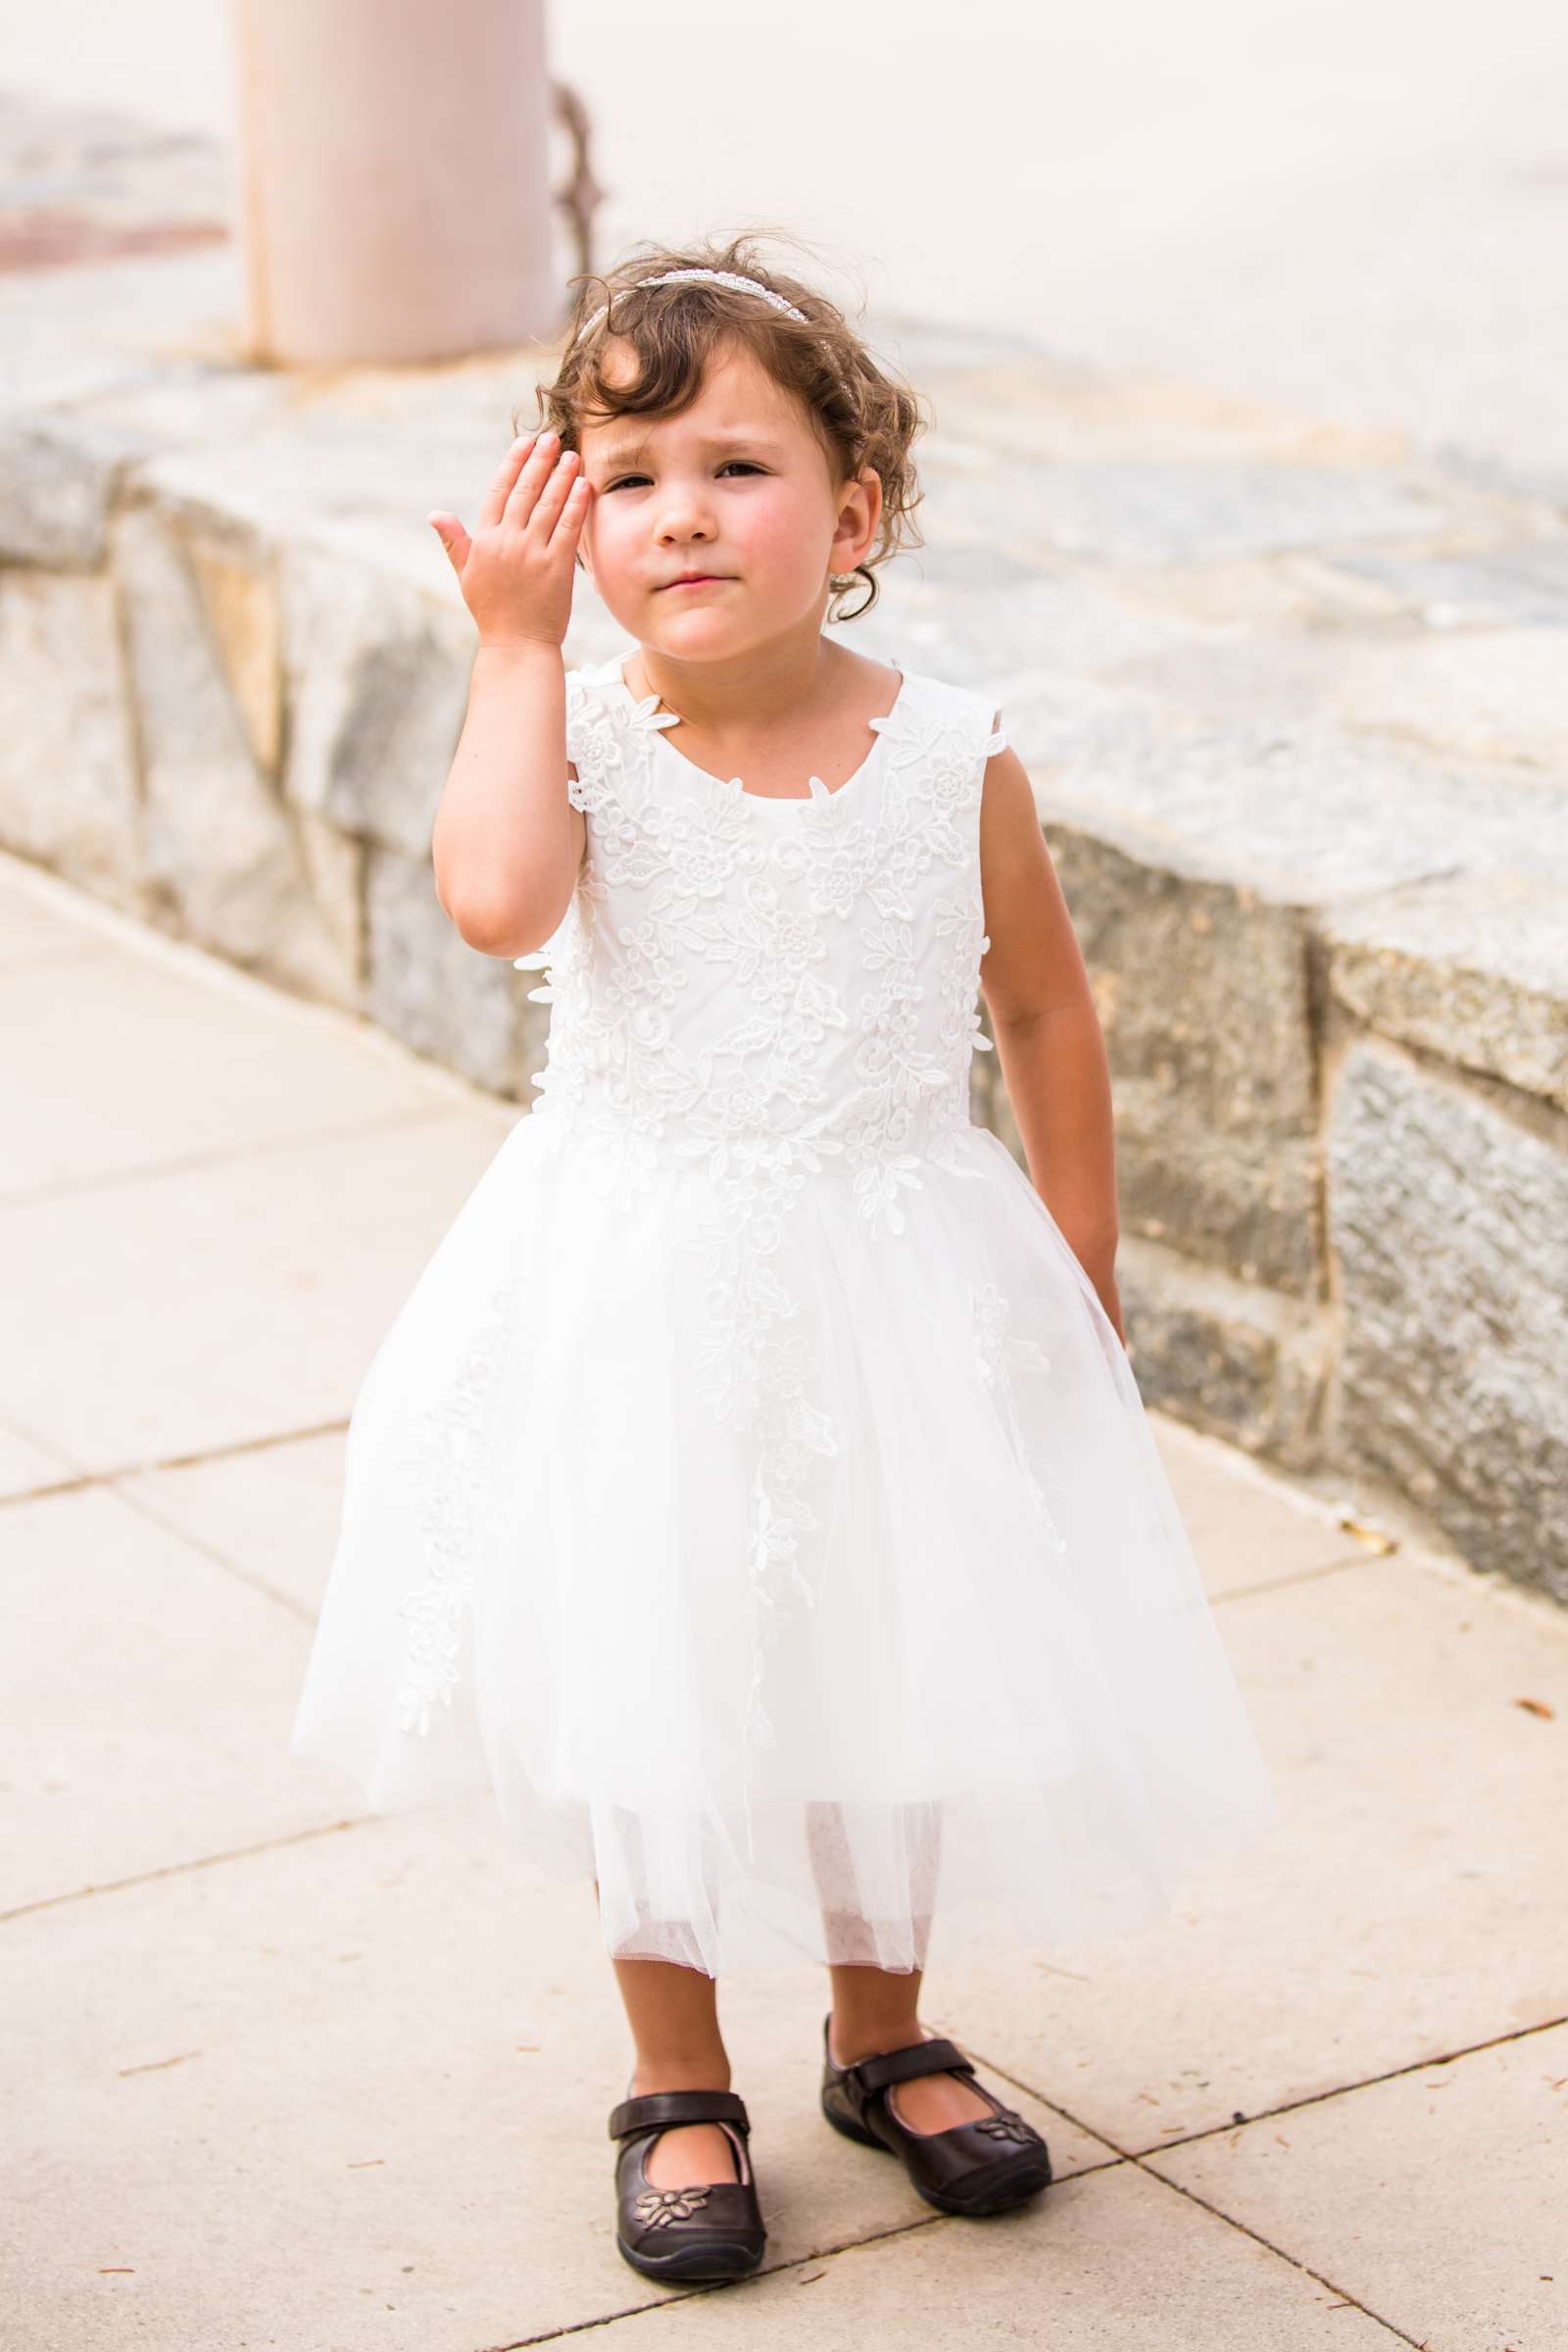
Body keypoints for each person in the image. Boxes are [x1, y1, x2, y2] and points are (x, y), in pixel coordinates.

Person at [289, 234, 1279, 2285]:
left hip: (895, 1271)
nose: (677, 516)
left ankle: (882, 2030)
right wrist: (509, 647)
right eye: (623, 474)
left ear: (855, 512)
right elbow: (489, 906)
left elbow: (1047, 1014)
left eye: (732, 468)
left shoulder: (945, 749)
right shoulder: (572, 738)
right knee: (651, 1668)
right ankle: (675, 2075)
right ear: (569, 513)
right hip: (638, 1281)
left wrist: (1070, 1274)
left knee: (887, 1652)